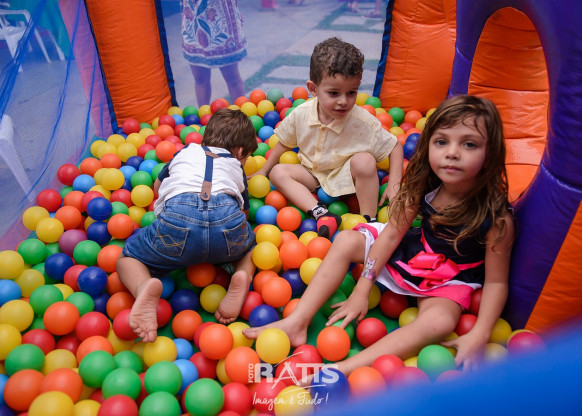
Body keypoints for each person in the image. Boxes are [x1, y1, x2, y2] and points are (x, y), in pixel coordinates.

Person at [244, 95, 515, 377]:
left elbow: (496, 282)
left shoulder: (497, 217)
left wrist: (481, 333)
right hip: (414, 252)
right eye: (441, 142)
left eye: (469, 144)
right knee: (346, 240)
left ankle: (345, 367)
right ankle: (298, 321)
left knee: (440, 322)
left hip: (449, 278)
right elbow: (391, 235)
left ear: (491, 153)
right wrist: (362, 289)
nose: (452, 153)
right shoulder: (425, 185)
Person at [117, 109, 258, 342]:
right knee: (251, 247)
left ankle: (144, 286)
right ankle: (242, 275)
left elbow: (157, 187)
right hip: (226, 223)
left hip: (178, 221)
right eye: (247, 157)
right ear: (240, 152)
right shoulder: (235, 165)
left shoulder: (185, 151)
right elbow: (244, 213)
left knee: (127, 258)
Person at [253, 37, 403, 239]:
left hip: (346, 178)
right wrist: (263, 170)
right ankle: (322, 214)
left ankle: (369, 223)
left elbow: (395, 147)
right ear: (313, 89)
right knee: (278, 172)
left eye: (352, 93)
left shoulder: (362, 121)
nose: (344, 101)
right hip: (312, 175)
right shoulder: (301, 114)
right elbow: (284, 143)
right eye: (334, 93)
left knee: (365, 161)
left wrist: (394, 185)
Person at [181, 0, 247, 106]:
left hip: (221, 20)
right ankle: (204, 115)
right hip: (193, 22)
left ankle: (240, 115)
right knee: (200, 79)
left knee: (233, 79)